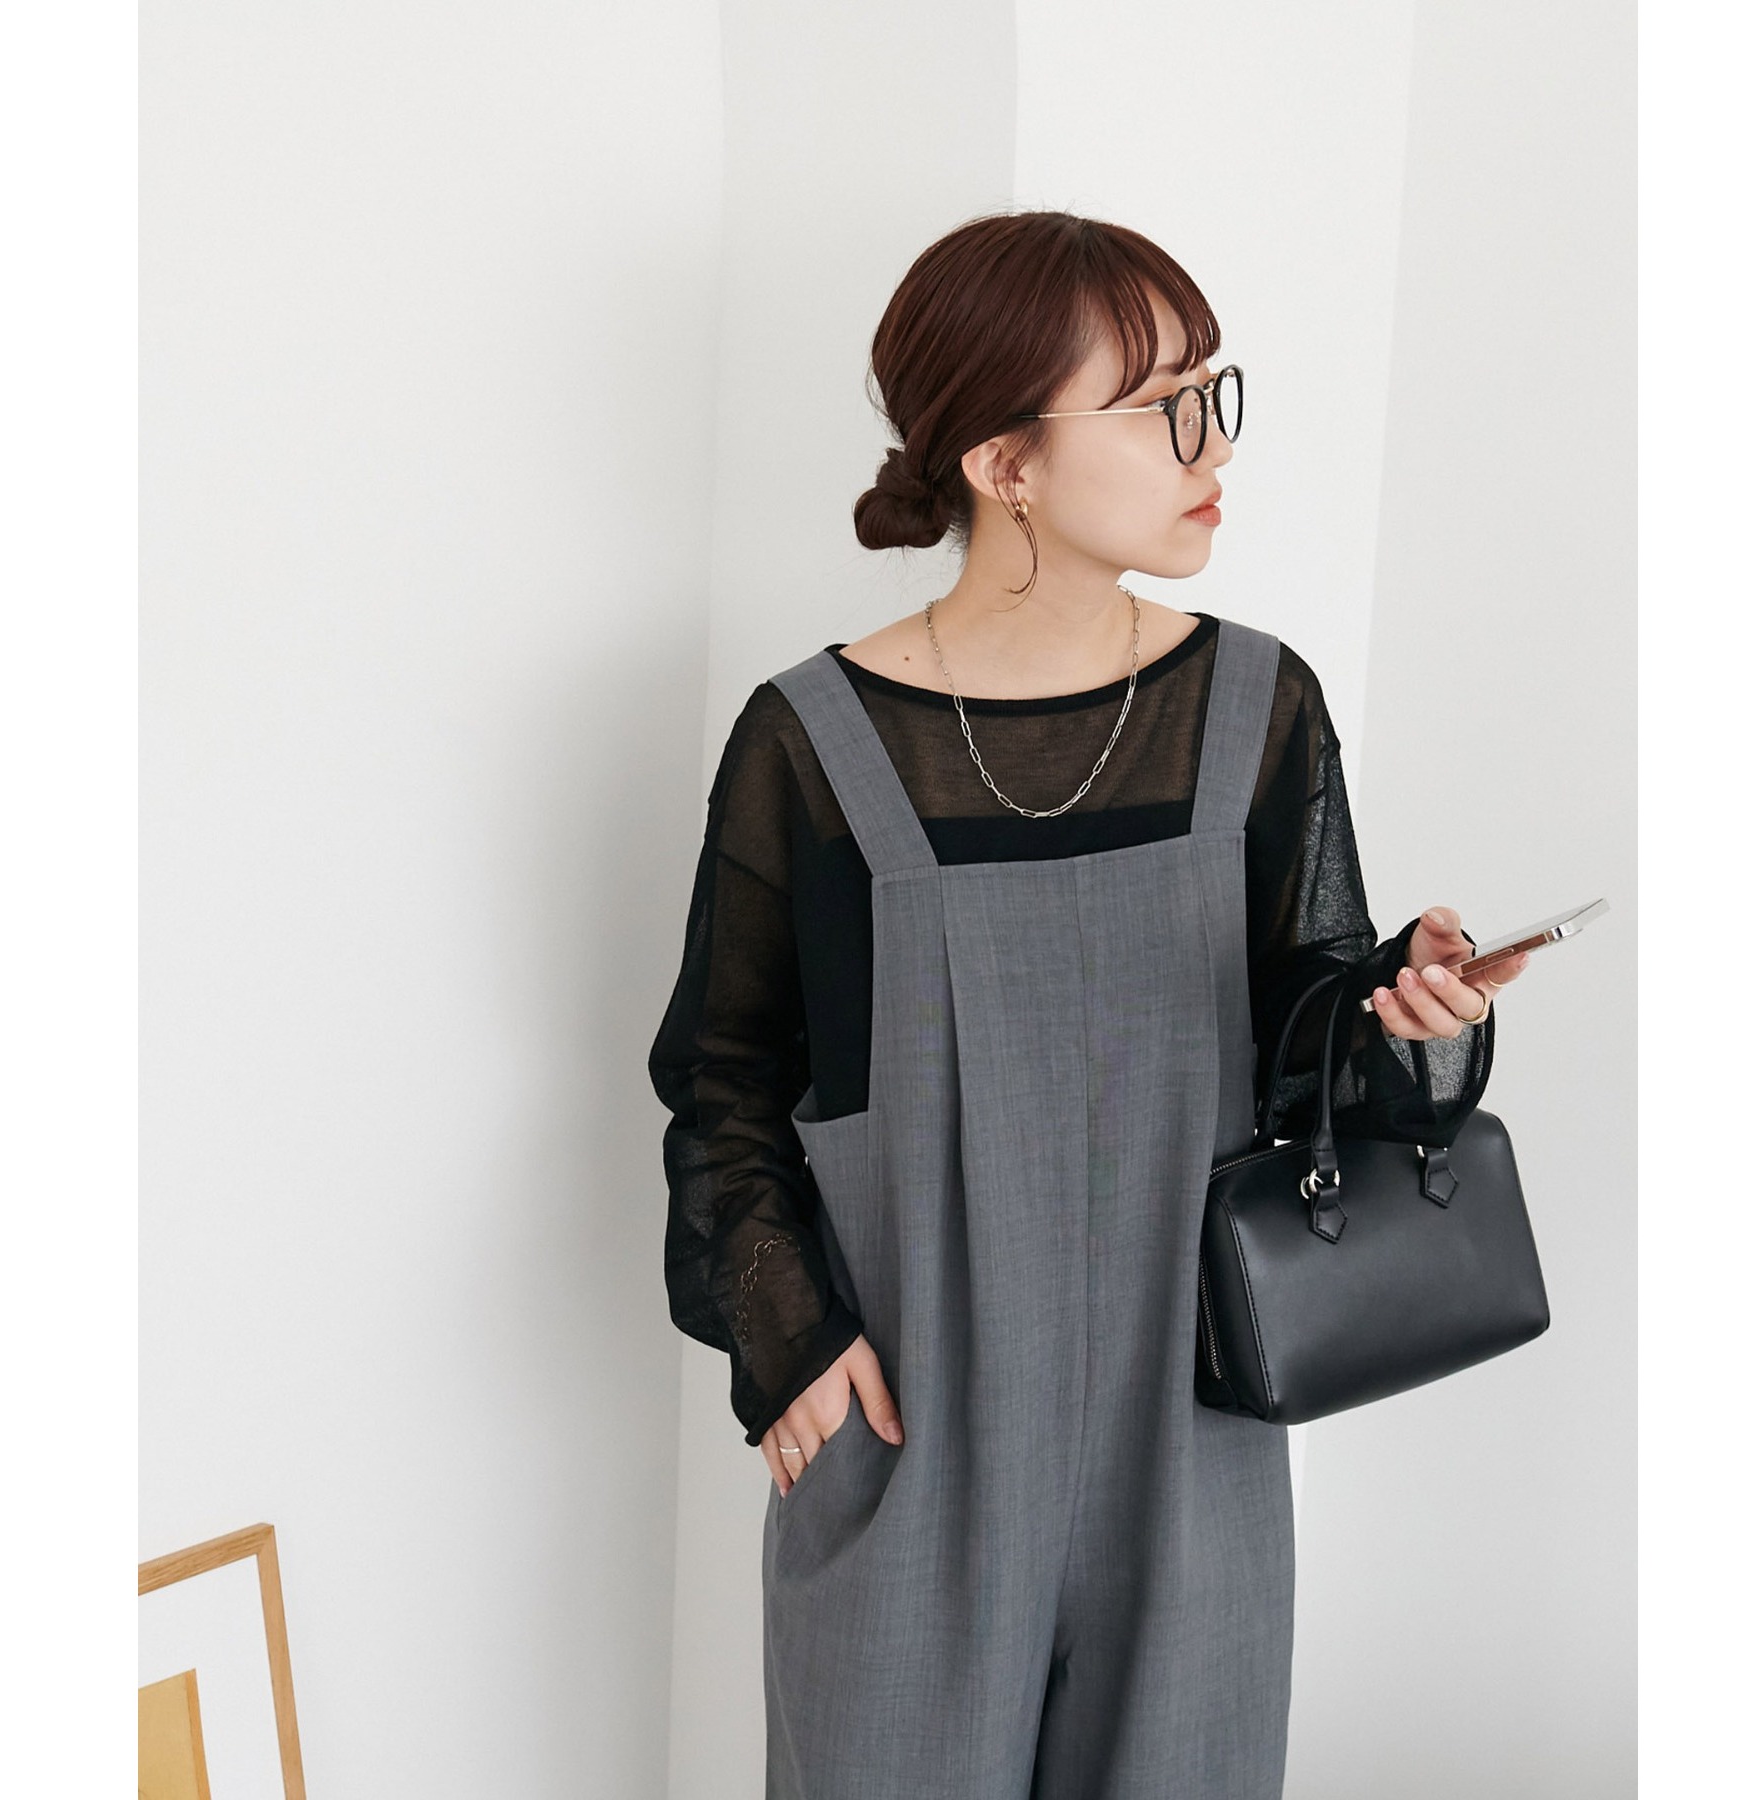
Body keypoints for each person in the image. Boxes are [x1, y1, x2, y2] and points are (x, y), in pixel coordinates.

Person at [647, 209, 1528, 1800]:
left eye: (1212, 392)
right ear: (1006, 463)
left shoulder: (1258, 708)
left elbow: (1308, 1038)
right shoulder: (814, 746)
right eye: (1161, 407)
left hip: (1193, 1429)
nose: (1213, 444)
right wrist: (789, 1344)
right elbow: (725, 1080)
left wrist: (1408, 1016)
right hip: (912, 1437)